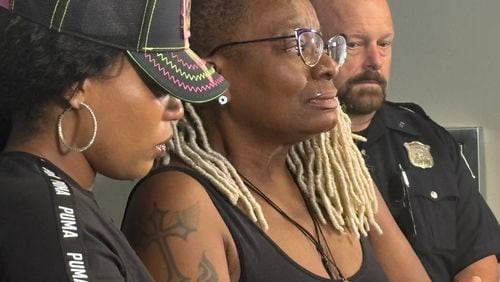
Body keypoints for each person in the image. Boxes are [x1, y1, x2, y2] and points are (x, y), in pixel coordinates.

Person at [121, 0, 430, 281]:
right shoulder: (179, 199)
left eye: (321, 44)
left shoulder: (341, 182)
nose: (327, 66)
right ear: (212, 75)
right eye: (298, 46)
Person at [0, 0, 228, 280]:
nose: (176, 109)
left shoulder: (39, 201)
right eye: (157, 87)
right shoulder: (47, 221)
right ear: (75, 82)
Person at [310, 0, 500, 281]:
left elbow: (480, 256)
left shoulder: (428, 138)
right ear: (311, 48)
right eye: (353, 44)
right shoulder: (291, 150)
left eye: (384, 44)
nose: (375, 60)